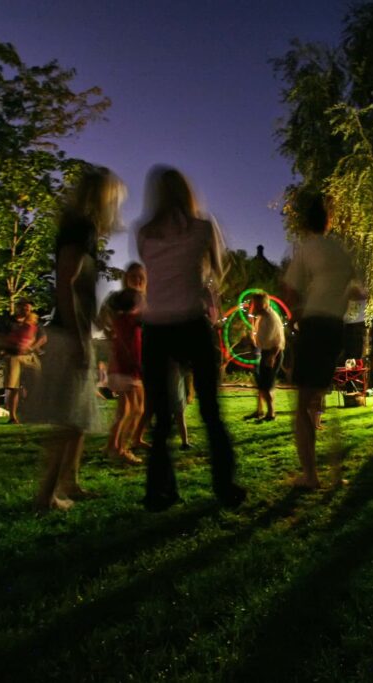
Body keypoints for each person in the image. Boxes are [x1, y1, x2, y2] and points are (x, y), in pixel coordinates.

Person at [137, 166, 246, 511]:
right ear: (187, 194)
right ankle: (225, 487)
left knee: (161, 416)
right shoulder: (202, 228)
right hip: (190, 323)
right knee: (211, 412)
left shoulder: (144, 234)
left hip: (155, 328)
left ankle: (159, 493)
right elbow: (215, 269)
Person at [24, 167, 125, 512]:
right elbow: (65, 282)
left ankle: (70, 483)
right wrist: (80, 337)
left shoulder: (83, 228)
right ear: (102, 197)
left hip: (77, 330)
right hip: (69, 335)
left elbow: (80, 290)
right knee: (68, 420)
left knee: (78, 419)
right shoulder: (80, 227)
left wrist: (98, 321)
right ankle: (46, 496)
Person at [283, 194, 356, 489]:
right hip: (336, 328)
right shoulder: (341, 251)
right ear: (329, 221)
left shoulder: (306, 249)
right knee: (321, 396)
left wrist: (297, 312)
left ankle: (310, 475)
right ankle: (337, 472)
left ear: (305, 222)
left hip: (314, 326)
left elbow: (289, 291)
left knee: (302, 404)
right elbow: (355, 290)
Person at [99, 262, 147, 465]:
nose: (137, 280)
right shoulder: (128, 300)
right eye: (134, 276)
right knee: (135, 409)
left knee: (128, 410)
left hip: (129, 359)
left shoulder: (132, 300)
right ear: (126, 277)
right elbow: (102, 319)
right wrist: (111, 333)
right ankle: (121, 449)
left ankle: (112, 446)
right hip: (126, 361)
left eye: (141, 277)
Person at [0, 299, 45, 424]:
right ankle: (13, 417)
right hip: (13, 356)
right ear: (18, 308)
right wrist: (9, 346)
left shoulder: (34, 322)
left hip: (30, 356)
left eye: (29, 308)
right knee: (14, 387)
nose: (27, 310)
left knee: (37, 381)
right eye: (24, 308)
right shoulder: (9, 322)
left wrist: (32, 347)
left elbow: (43, 337)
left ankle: (34, 412)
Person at [248, 292, 285, 422]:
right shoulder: (262, 317)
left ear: (263, 304)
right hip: (265, 352)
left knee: (267, 384)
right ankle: (260, 411)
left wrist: (272, 357)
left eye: (256, 304)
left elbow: (278, 341)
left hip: (272, 353)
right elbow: (257, 336)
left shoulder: (271, 318)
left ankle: (271, 413)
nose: (254, 307)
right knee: (263, 383)